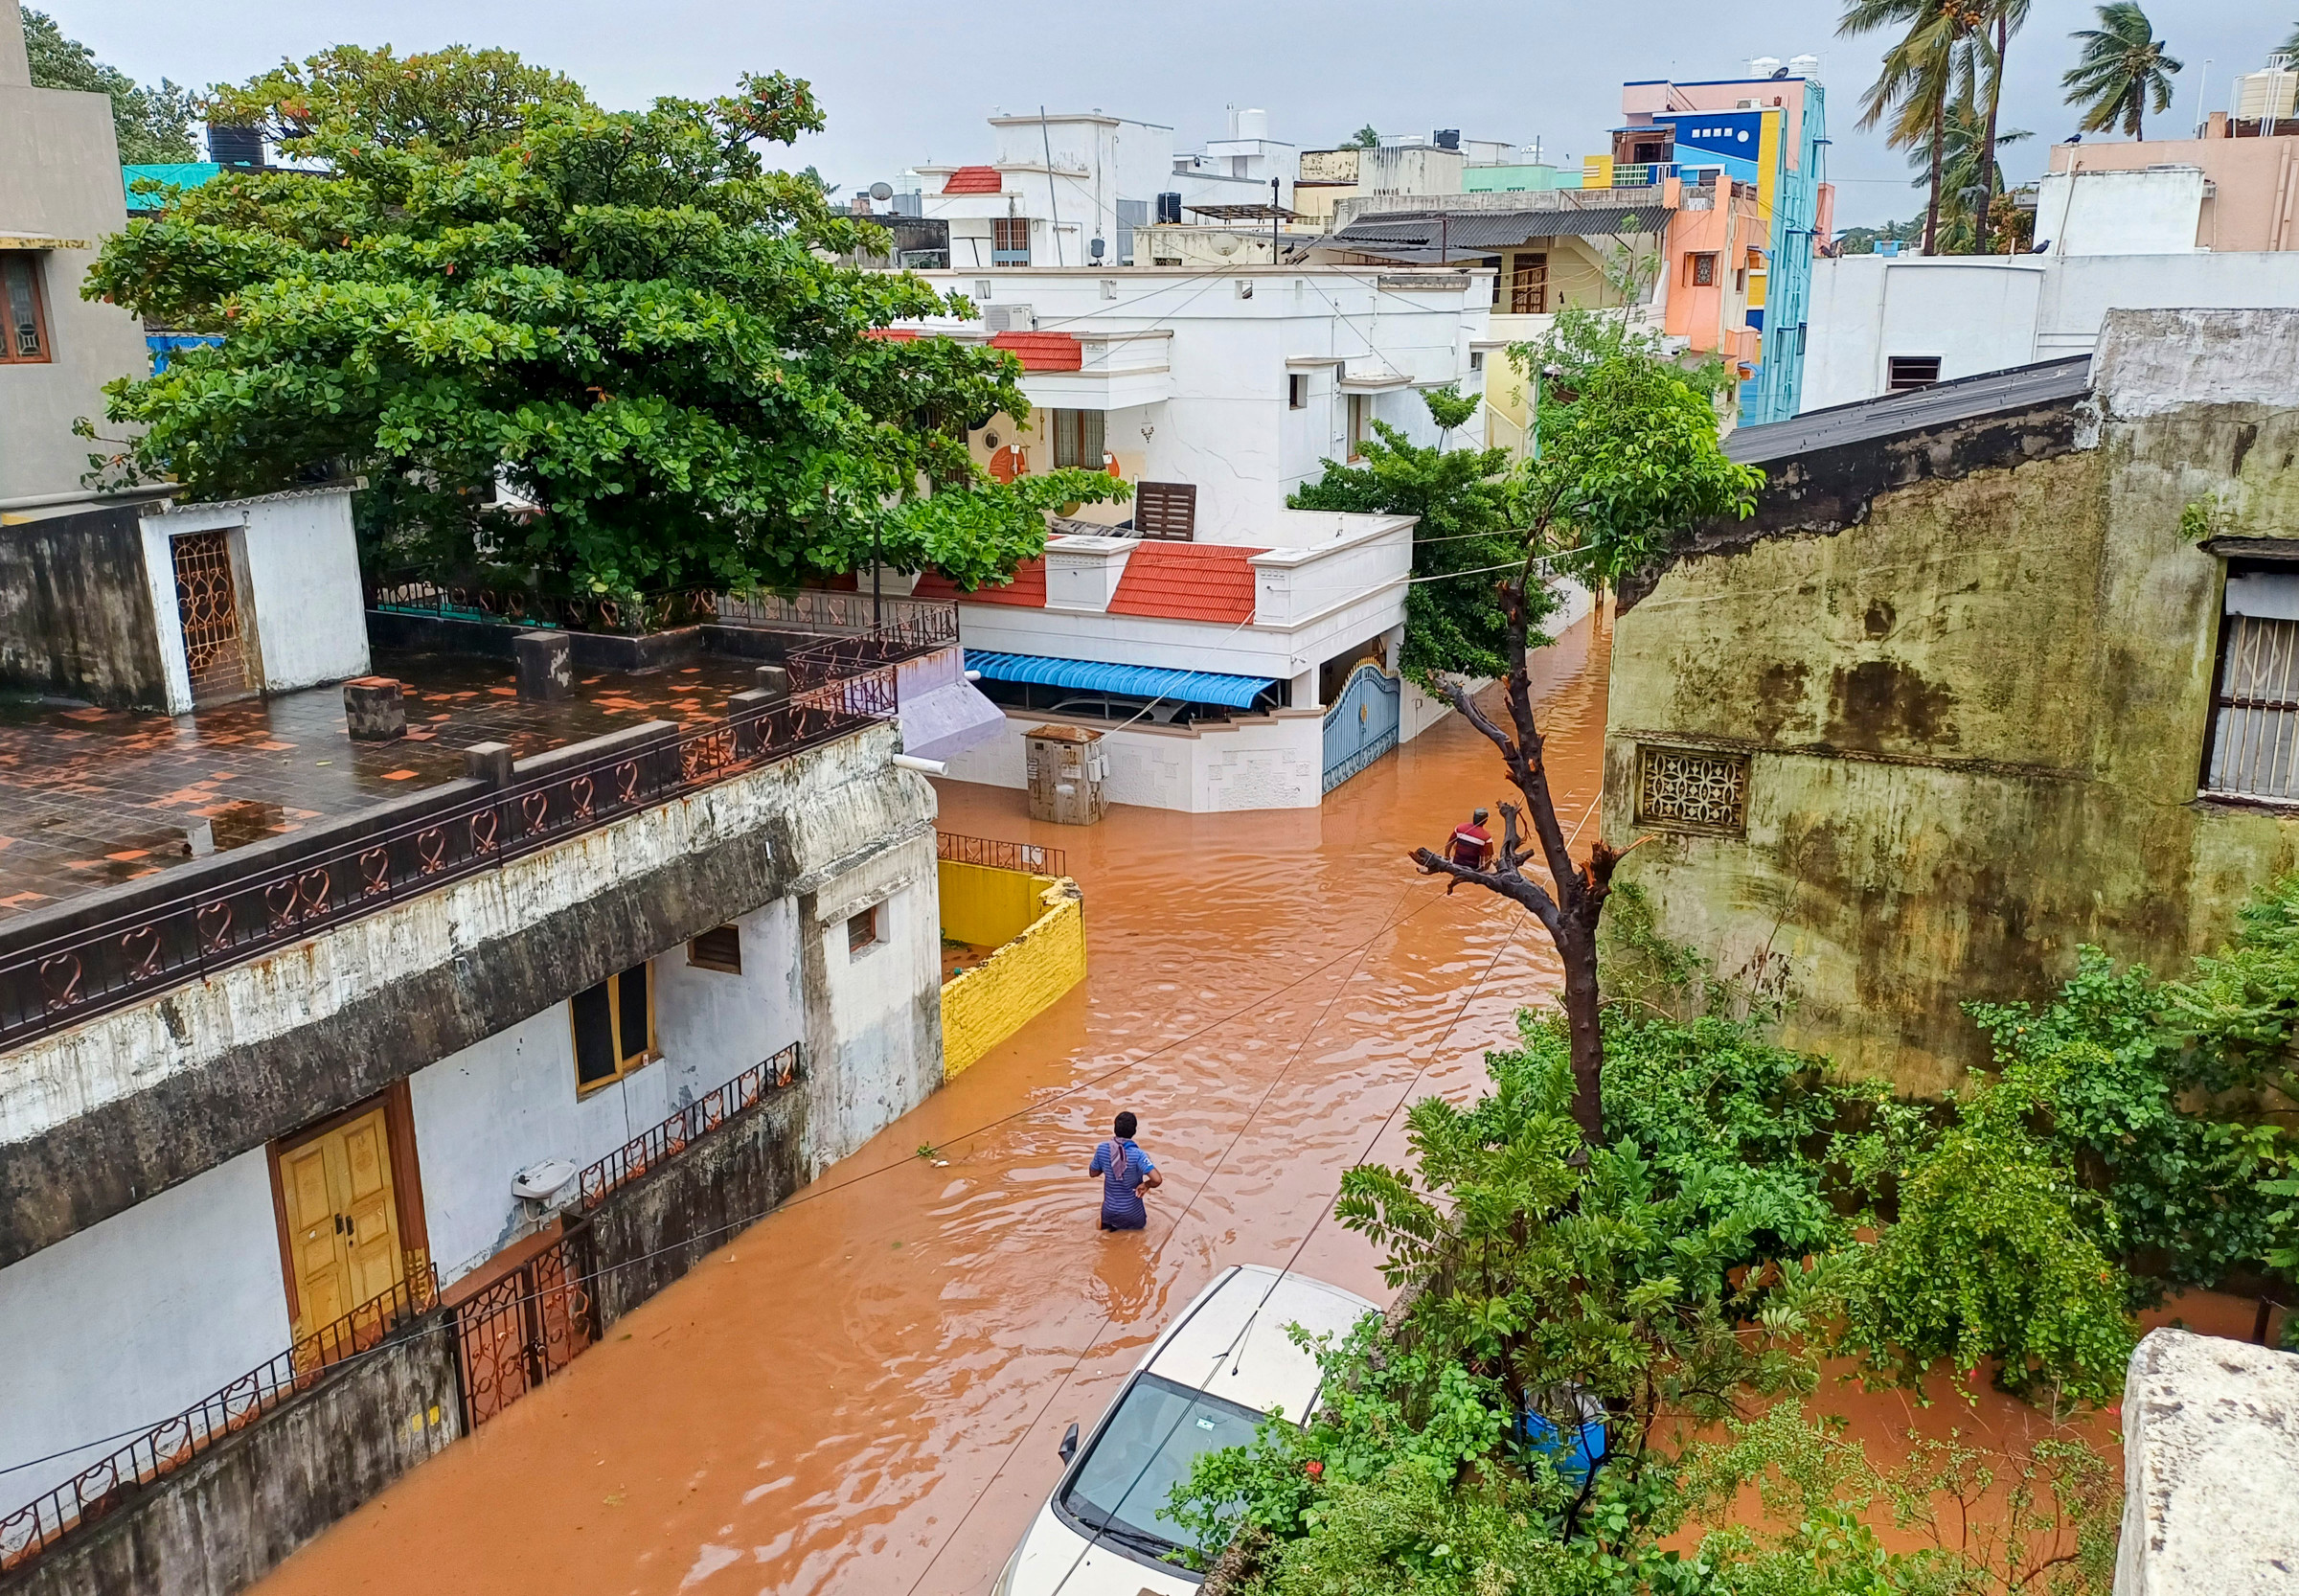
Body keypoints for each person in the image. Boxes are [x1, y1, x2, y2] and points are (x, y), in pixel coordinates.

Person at [1087, 1110, 1162, 1231]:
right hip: (1133, 1214)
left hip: (1109, 1212)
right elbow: (1157, 1179)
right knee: (1137, 1245)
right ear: (1134, 1131)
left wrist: (1108, 1165)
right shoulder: (1139, 1155)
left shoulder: (1103, 1149)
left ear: (1115, 1128)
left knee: (1107, 1245)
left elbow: (1093, 1173)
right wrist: (1147, 1184)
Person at [1445, 808, 1493, 893]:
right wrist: (1484, 871)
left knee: (1457, 845)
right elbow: (1488, 858)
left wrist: (1447, 857)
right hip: (1474, 868)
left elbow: (1449, 843)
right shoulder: (1486, 837)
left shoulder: (1459, 828)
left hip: (1456, 862)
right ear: (1485, 820)